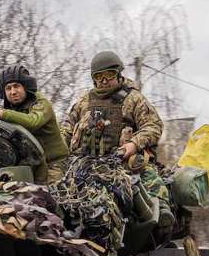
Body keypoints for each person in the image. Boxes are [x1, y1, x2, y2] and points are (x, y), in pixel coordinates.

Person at [61, 50, 172, 229]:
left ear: (119, 74)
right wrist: (59, 148)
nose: (104, 80)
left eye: (109, 75)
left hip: (123, 160)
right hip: (87, 162)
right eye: (99, 76)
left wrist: (133, 144)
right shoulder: (84, 101)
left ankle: (162, 211)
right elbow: (66, 128)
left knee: (147, 175)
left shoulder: (133, 98)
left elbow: (154, 125)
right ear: (93, 78)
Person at [0, 65, 70, 184]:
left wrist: (0, 113)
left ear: (26, 87)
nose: (13, 92)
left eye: (16, 86)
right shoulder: (8, 111)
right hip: (28, 166)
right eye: (8, 88)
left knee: (51, 192)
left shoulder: (41, 103)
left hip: (54, 163)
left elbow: (33, 121)